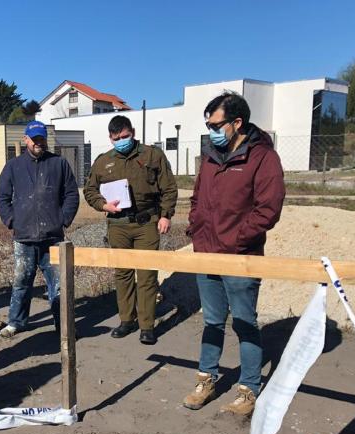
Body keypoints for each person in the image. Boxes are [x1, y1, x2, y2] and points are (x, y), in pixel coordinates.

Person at [183, 91, 285, 416]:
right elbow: (197, 199)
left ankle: (248, 388)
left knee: (244, 322)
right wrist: (197, 230)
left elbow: (268, 208)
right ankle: (206, 380)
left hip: (241, 256)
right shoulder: (211, 158)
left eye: (216, 124)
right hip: (207, 254)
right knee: (212, 321)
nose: (211, 130)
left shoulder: (262, 158)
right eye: (208, 124)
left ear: (237, 122)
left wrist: (238, 240)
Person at [84, 115, 177, 345]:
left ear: (133, 132)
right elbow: (90, 190)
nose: (122, 141)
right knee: (123, 274)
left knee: (146, 275)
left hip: (146, 224)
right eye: (117, 138)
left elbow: (169, 187)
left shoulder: (152, 155)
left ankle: (147, 326)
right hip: (118, 225)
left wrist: (165, 215)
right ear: (110, 138)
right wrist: (102, 205)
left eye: (126, 136)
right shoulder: (103, 161)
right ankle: (127, 320)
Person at [0, 121, 79, 338]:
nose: (38, 143)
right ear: (26, 140)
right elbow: (3, 197)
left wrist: (64, 219)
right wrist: (11, 220)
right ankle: (16, 322)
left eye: (42, 139)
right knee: (22, 281)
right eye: (34, 140)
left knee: (58, 285)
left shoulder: (59, 164)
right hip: (23, 238)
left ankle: (63, 325)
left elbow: (71, 194)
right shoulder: (13, 166)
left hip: (53, 237)